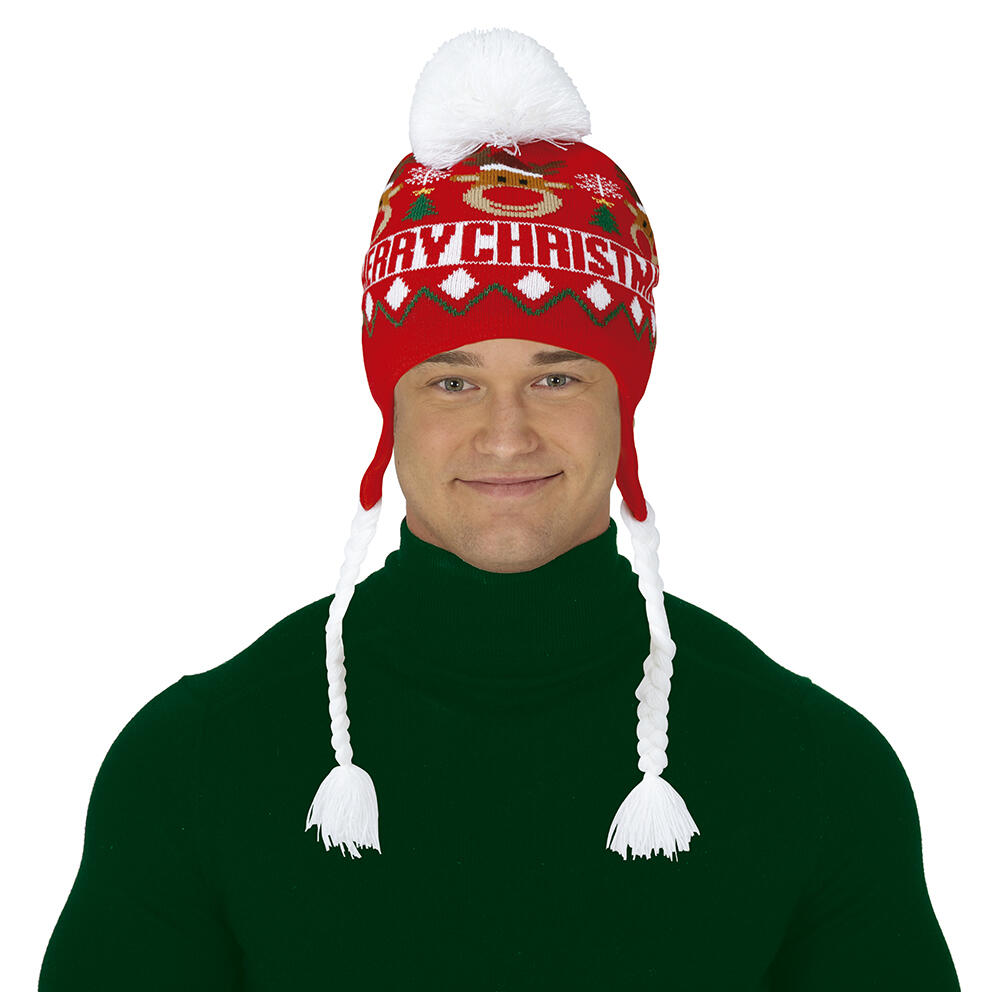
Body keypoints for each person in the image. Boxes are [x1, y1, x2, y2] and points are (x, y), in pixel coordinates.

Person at [39, 27, 961, 991]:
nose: (507, 434)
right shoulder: (195, 764)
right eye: (454, 382)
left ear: (625, 401)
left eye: (557, 378)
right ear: (390, 405)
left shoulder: (814, 769)